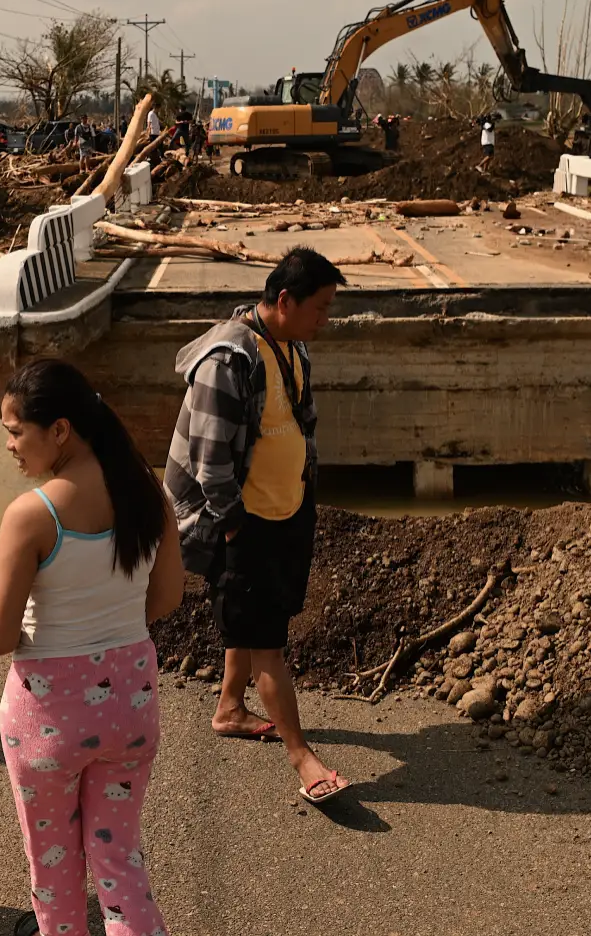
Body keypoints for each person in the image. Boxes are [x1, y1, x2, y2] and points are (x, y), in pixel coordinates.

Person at [0, 358, 183, 936]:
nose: (10, 446)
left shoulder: (31, 515)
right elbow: (165, 599)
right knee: (120, 862)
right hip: (131, 705)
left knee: (55, 870)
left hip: (48, 721)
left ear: (60, 430)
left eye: (15, 431)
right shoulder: (150, 497)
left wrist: (51, 639)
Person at [163, 247, 350, 805]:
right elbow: (209, 458)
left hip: (283, 510)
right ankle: (303, 756)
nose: (325, 320)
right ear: (285, 300)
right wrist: (232, 527)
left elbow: (299, 424)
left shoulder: (290, 347)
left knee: (250, 622)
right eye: (320, 308)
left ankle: (229, 708)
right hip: (242, 520)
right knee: (267, 642)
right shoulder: (229, 360)